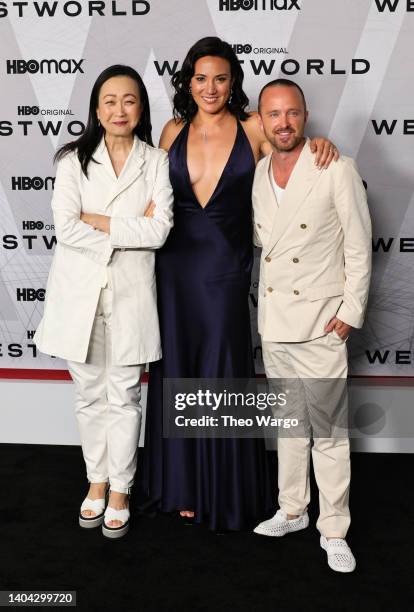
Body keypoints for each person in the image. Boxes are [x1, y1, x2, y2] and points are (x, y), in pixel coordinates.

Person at [140, 37, 339, 531]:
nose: (211, 87)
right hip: (175, 270)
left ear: (233, 83)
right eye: (201, 78)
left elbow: (296, 157)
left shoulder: (255, 127)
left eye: (221, 78)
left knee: (222, 370)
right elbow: (154, 204)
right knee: (179, 368)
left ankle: (222, 487)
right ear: (189, 81)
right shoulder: (172, 130)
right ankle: (184, 485)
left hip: (228, 272)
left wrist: (321, 145)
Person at [34, 65, 174, 539]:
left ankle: (120, 488)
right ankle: (95, 481)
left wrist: (98, 221)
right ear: (97, 109)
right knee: (90, 395)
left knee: (125, 396)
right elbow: (66, 227)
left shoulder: (155, 161)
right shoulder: (72, 160)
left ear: (141, 108)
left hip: (132, 295)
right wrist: (123, 228)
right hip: (80, 295)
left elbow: (160, 231)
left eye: (129, 100)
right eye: (109, 100)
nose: (119, 109)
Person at [252, 79, 371, 571]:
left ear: (305, 115)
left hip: (322, 322)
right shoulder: (259, 172)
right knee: (289, 428)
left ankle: (334, 527)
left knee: (328, 433)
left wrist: (348, 315)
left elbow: (359, 247)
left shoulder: (335, 167)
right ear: (261, 121)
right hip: (276, 322)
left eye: (292, 113)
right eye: (274, 114)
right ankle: (292, 509)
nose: (284, 123)